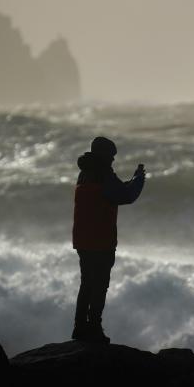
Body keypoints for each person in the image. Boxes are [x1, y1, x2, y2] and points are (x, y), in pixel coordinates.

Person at [71, 136, 145, 343]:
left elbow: (114, 192)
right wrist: (139, 179)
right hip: (100, 241)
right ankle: (94, 328)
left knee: (86, 284)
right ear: (104, 156)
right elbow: (126, 196)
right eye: (111, 157)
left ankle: (79, 328)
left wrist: (129, 182)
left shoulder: (84, 173)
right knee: (100, 285)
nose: (113, 161)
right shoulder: (104, 175)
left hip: (83, 239)